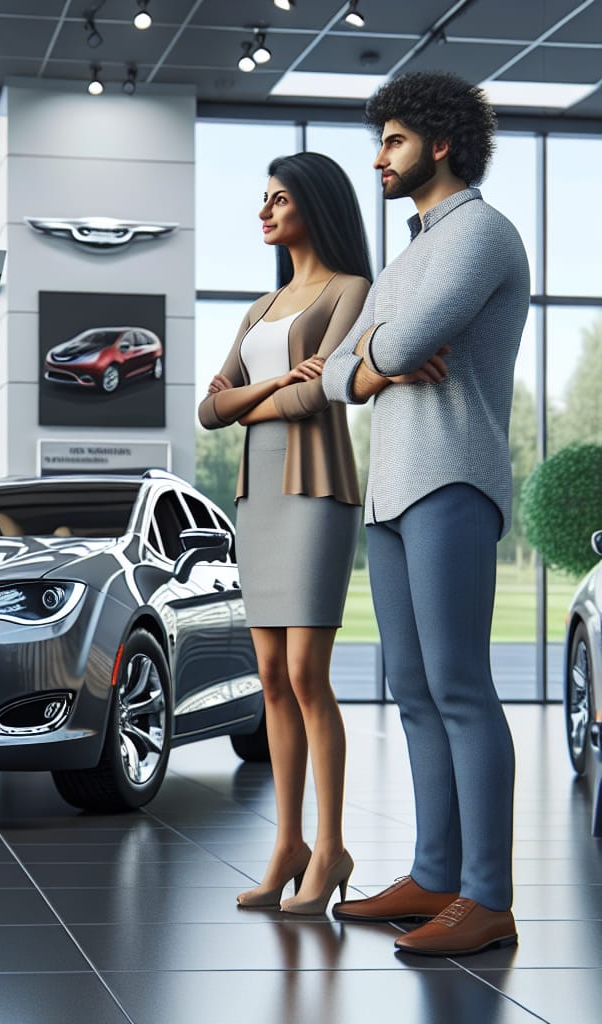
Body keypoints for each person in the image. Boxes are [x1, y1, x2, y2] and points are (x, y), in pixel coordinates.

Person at [322, 72, 530, 956]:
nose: (379, 158)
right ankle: (435, 875)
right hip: (391, 494)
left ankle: (487, 898)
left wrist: (373, 355)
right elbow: (333, 375)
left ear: (440, 144)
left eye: (394, 142)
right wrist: (372, 362)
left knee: (459, 689)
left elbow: (392, 346)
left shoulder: (482, 234)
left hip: (451, 480)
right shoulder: (408, 253)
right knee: (410, 691)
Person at [198, 152, 371, 915]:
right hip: (256, 495)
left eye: (279, 199)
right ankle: (287, 845)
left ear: (316, 205)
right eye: (262, 199)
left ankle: (330, 850)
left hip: (315, 488)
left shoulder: (351, 289)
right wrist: (270, 385)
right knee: (270, 677)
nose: (264, 212)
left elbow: (320, 399)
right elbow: (207, 411)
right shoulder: (261, 307)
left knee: (306, 674)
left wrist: (246, 396)